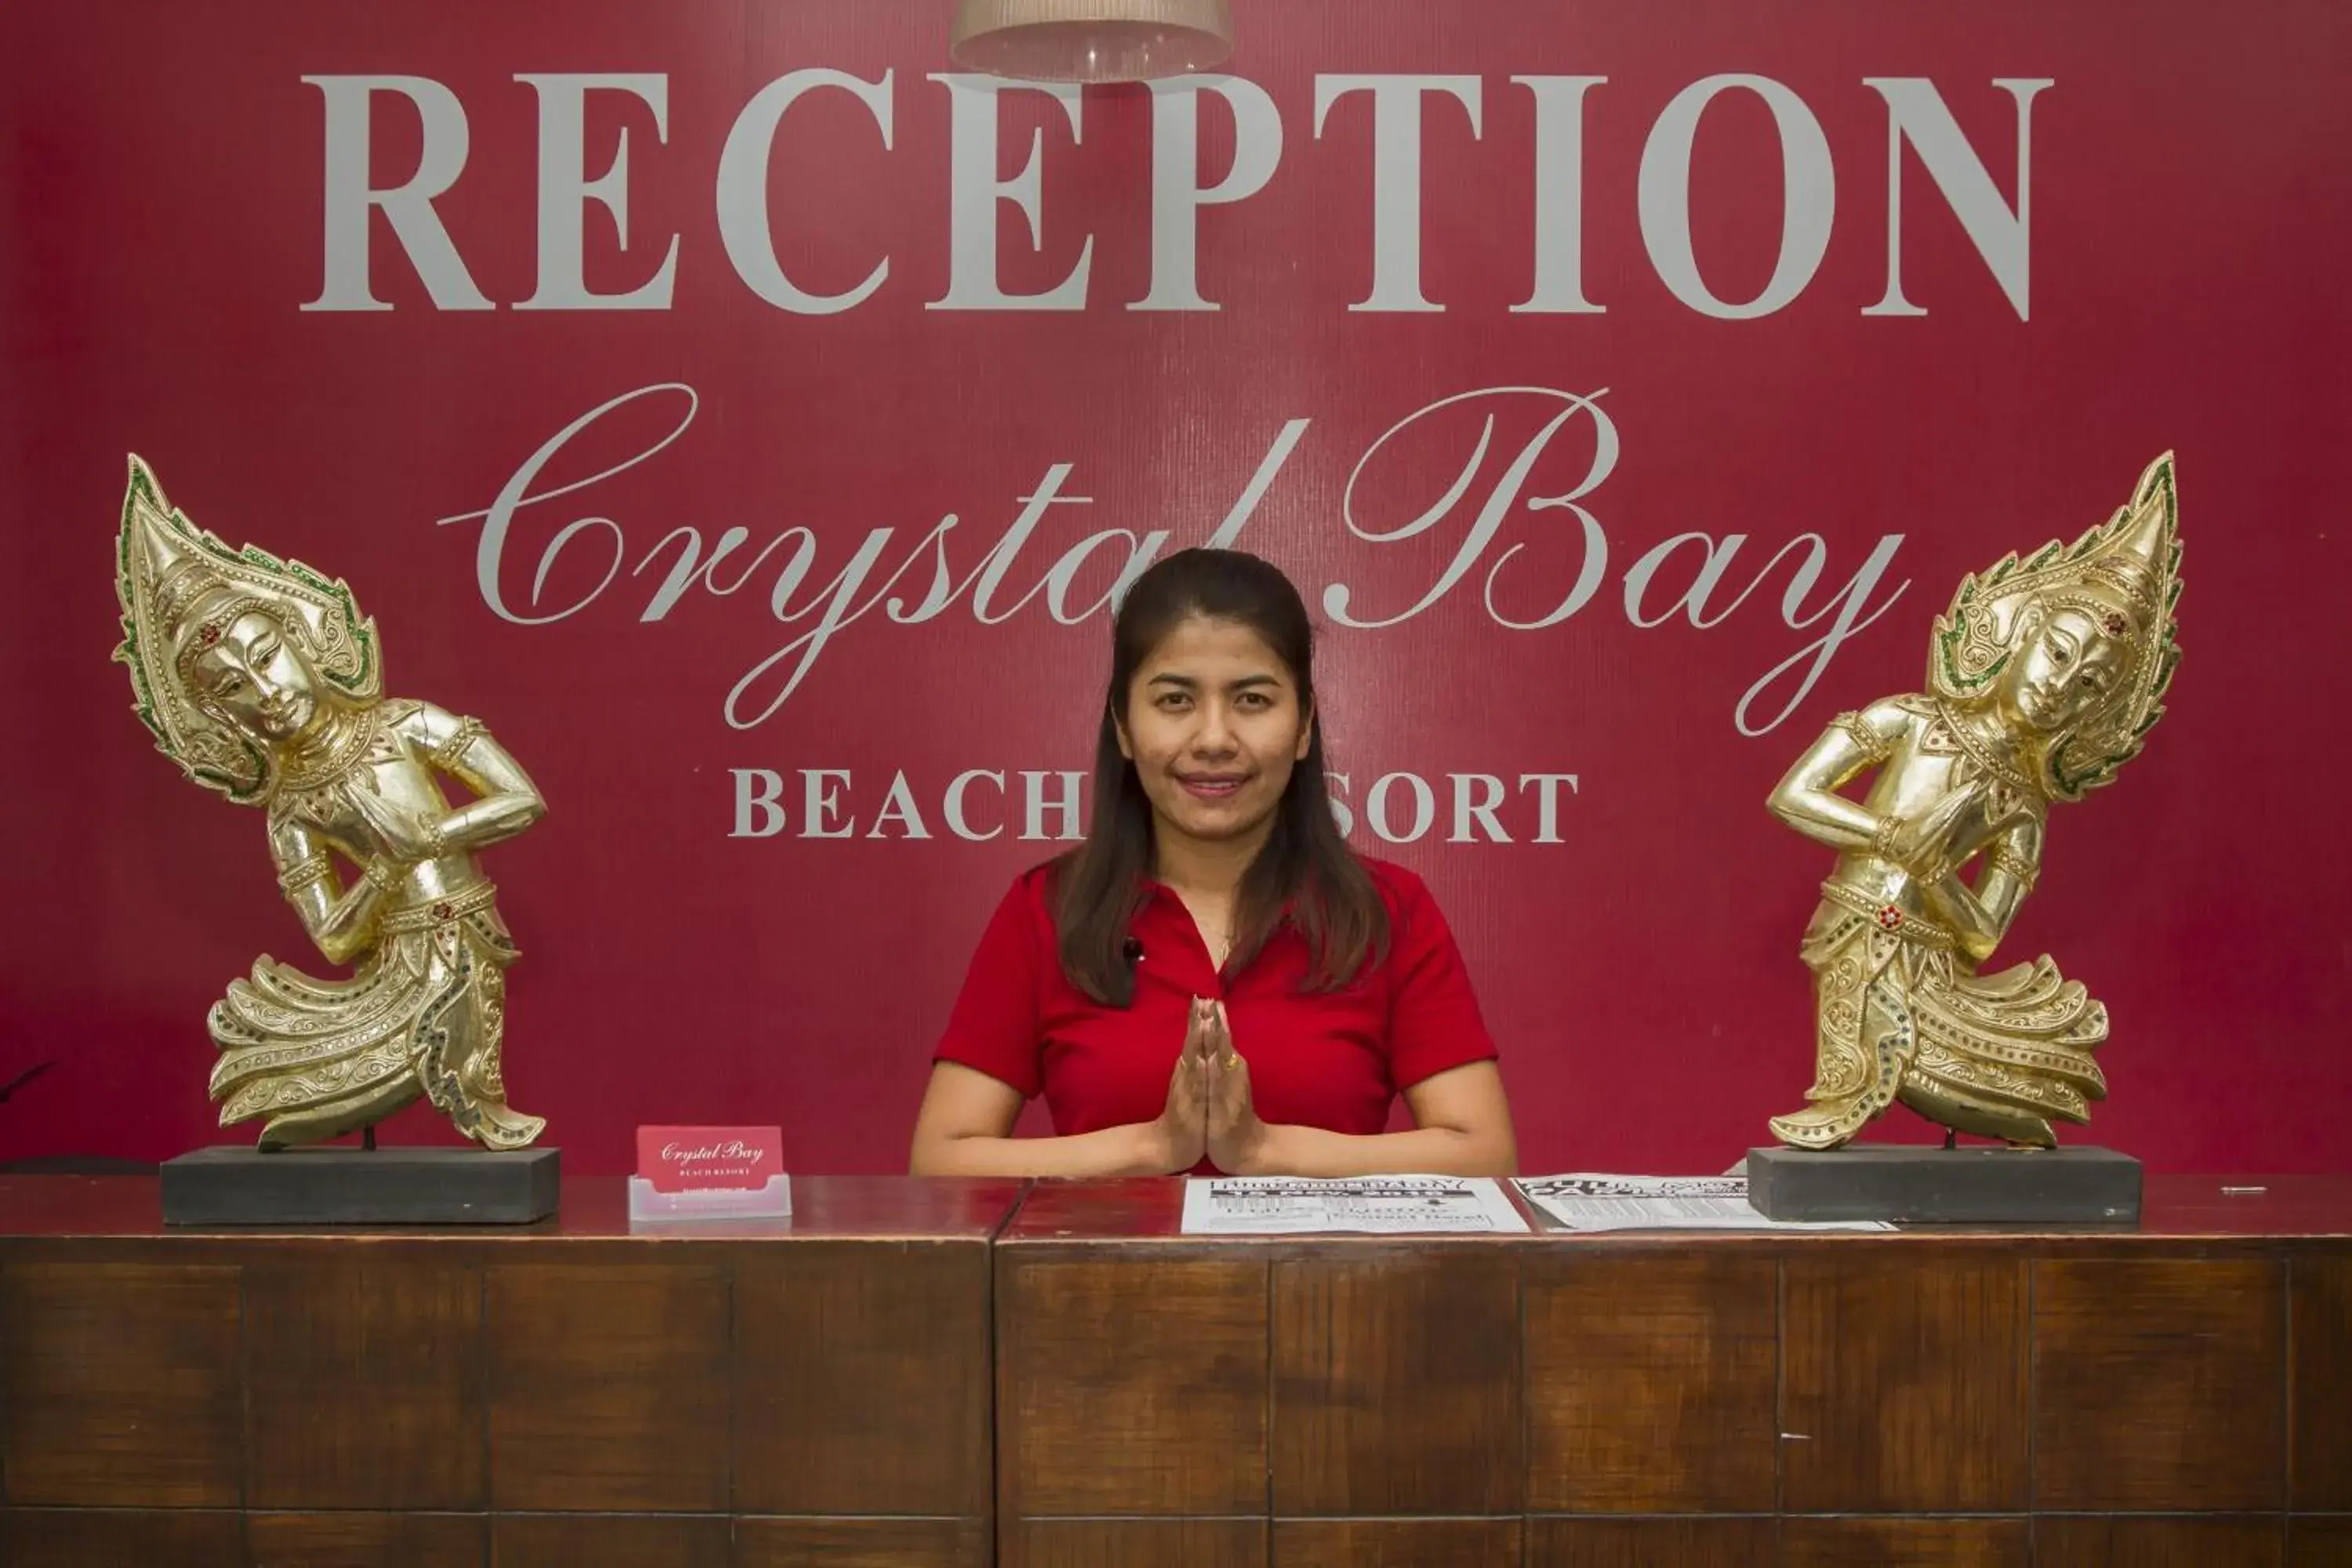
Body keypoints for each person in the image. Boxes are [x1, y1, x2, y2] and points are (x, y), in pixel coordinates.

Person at [909, 547, 1517, 1178]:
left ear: (1304, 725)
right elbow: (942, 1159)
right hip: (1093, 1278)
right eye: (1175, 701)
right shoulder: (1049, 909)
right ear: (1123, 725)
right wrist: (1152, 1147)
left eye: (1252, 700)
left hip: (1331, 1280)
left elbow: (1484, 1154)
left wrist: (1260, 1150)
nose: (1214, 738)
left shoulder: (1385, 910)